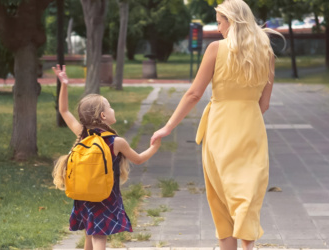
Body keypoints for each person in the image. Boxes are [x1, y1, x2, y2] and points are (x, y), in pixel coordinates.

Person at [150, 0, 283, 249]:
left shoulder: (215, 49)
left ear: (231, 22)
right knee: (247, 191)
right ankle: (248, 240)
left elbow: (193, 94)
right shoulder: (267, 53)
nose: (218, 27)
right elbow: (264, 104)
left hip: (220, 128)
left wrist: (168, 127)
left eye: (219, 22)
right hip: (252, 128)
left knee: (221, 197)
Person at [52, 65, 161, 250]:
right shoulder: (116, 142)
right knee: (99, 236)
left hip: (84, 194)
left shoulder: (83, 134)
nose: (112, 109)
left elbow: (64, 111)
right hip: (105, 195)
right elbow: (139, 159)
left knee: (90, 231)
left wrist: (64, 84)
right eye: (110, 107)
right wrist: (154, 147)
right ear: (103, 116)